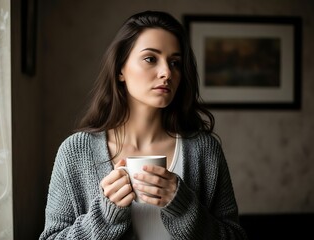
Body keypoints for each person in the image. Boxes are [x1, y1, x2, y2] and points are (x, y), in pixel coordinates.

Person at [39, 10, 248, 240]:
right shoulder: (75, 152)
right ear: (120, 69)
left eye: (175, 62)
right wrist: (105, 217)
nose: (167, 72)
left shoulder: (204, 151)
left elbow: (235, 237)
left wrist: (185, 208)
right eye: (150, 59)